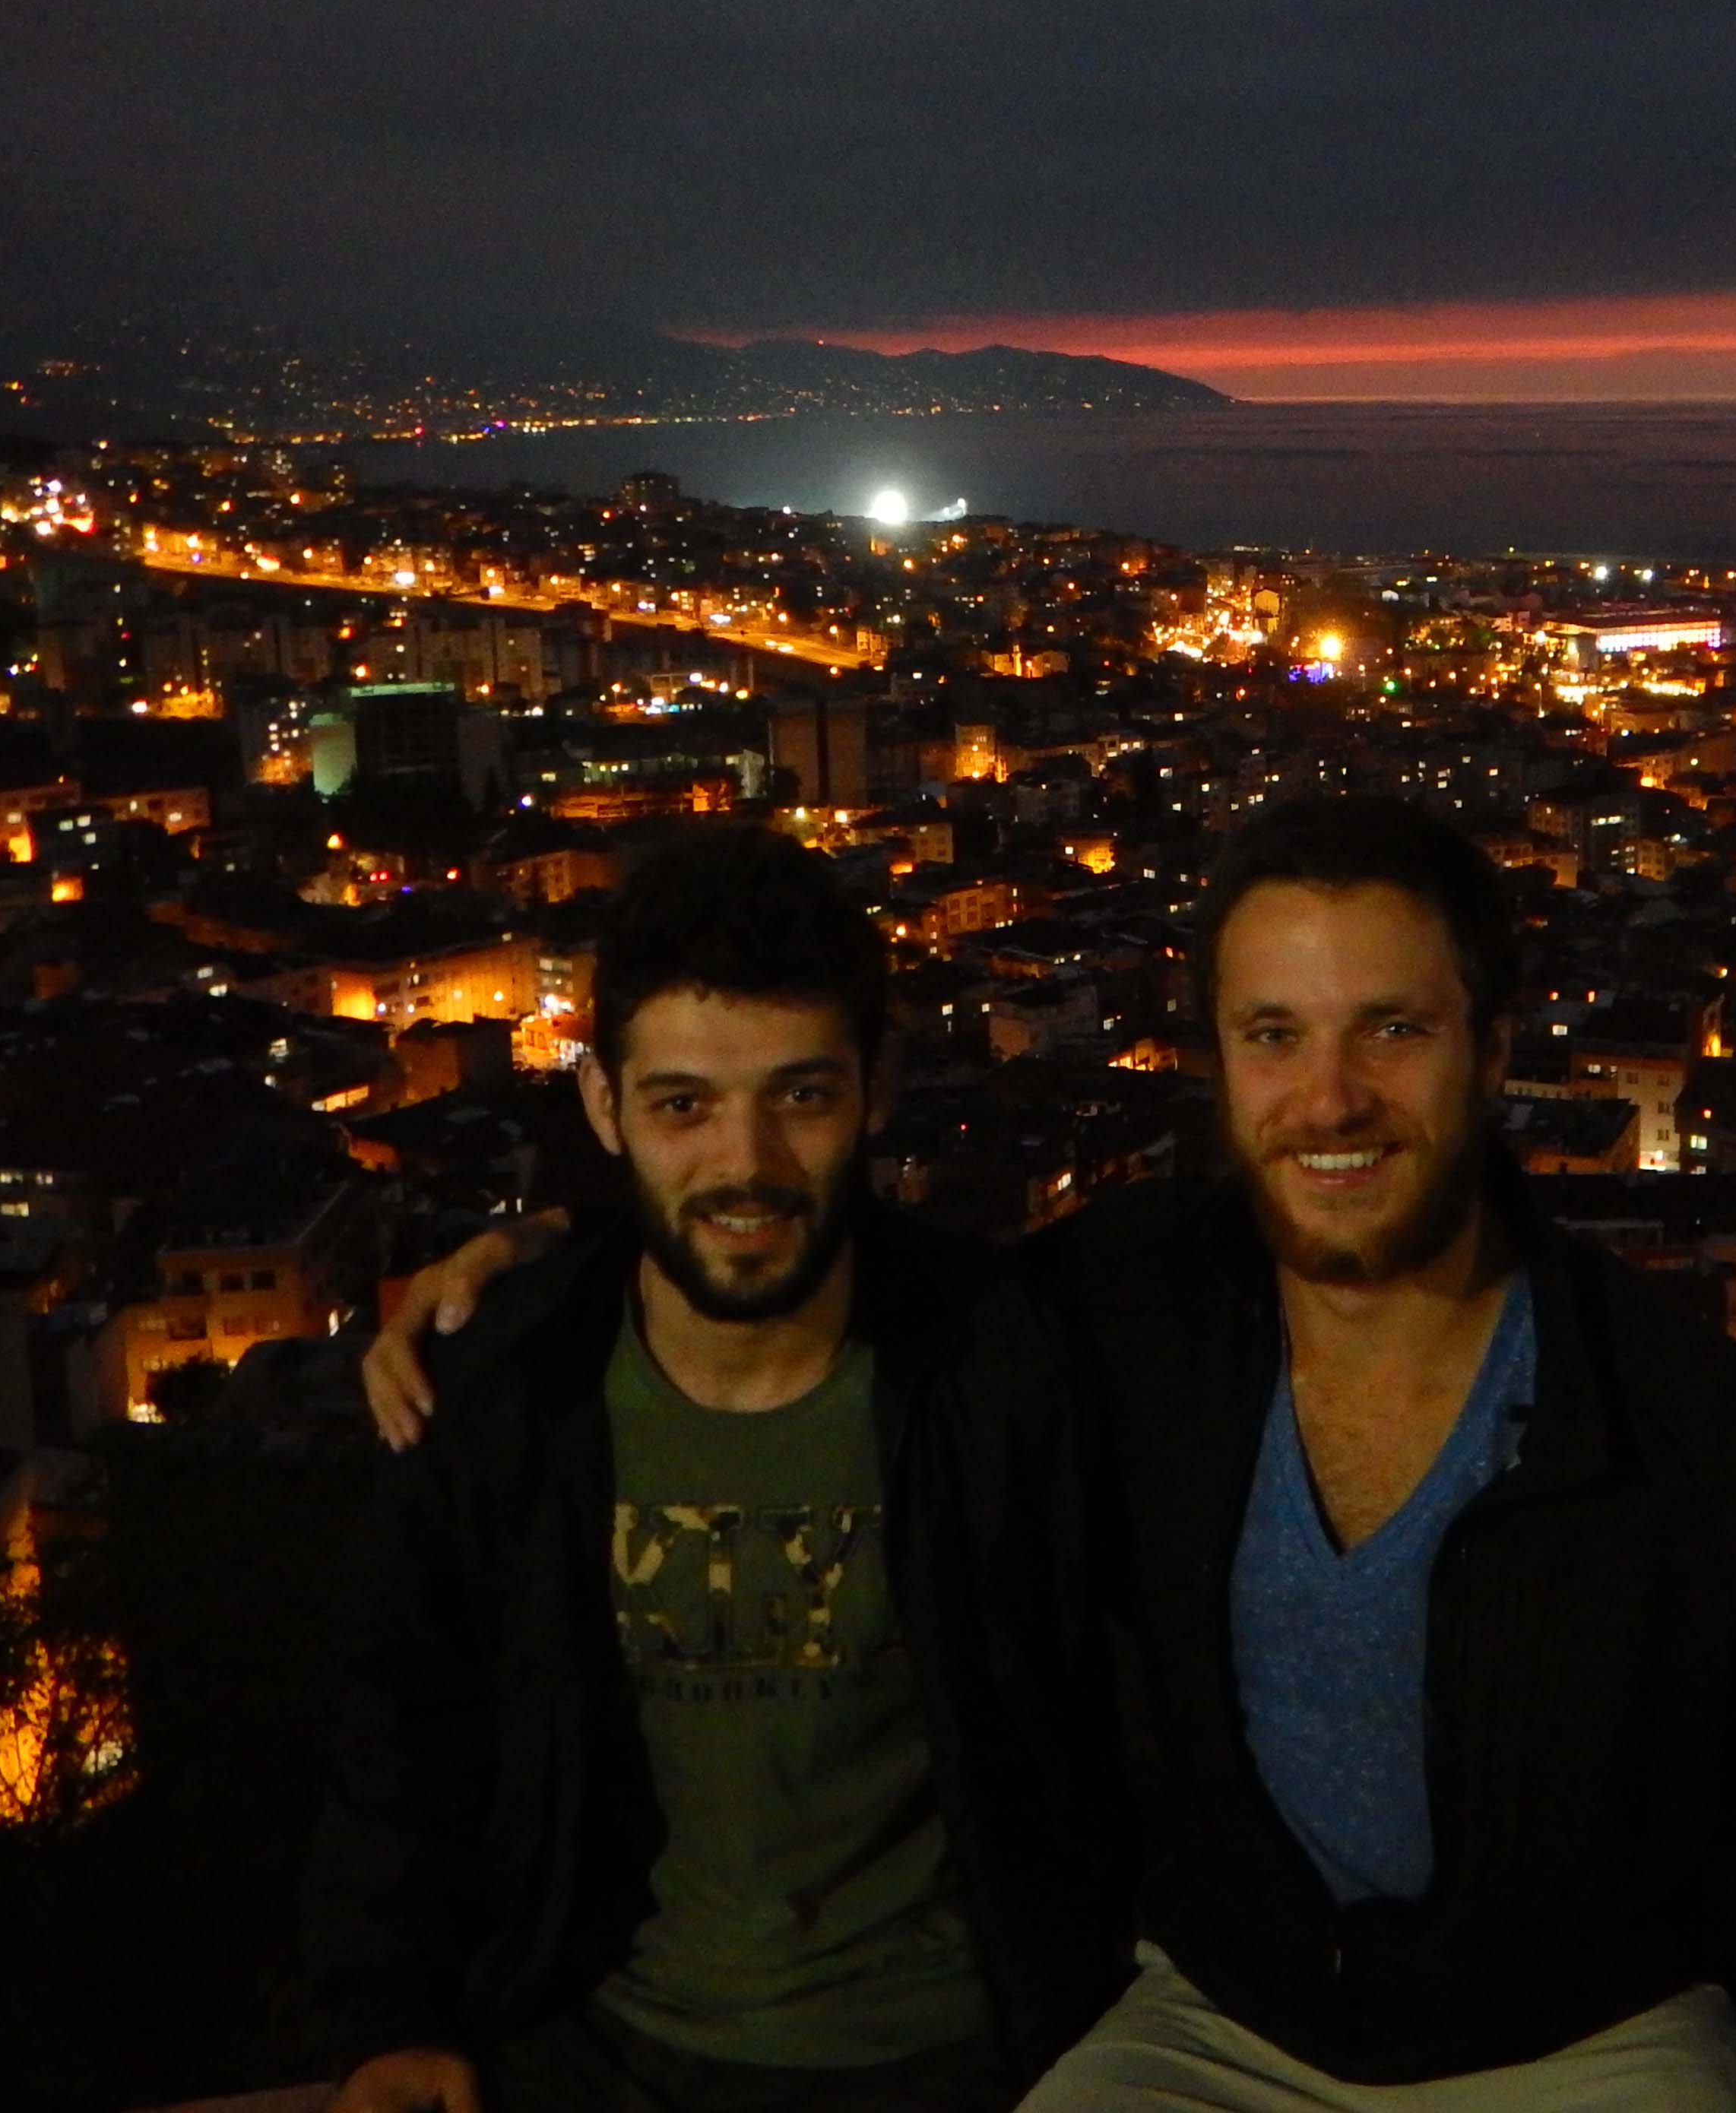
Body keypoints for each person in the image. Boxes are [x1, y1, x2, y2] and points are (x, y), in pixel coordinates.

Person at [374, 799, 1736, 2108]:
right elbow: (786, 1244)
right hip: (1234, 2019)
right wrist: (543, 1265)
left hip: (1589, 2034)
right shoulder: (1127, 1314)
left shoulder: (1673, 1413)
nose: (1330, 1099)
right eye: (1274, 1035)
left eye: (1392, 1030)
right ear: (1221, 1060)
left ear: (1492, 1049)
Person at [307, 825, 1132, 2113]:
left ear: (877, 1088)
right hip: (602, 2048)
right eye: (683, 1106)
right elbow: (407, 1733)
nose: (746, 1164)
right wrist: (394, 2017)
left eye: (800, 1097)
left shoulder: (1008, 1371)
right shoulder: (508, 1392)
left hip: (960, 2058)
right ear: (603, 1105)